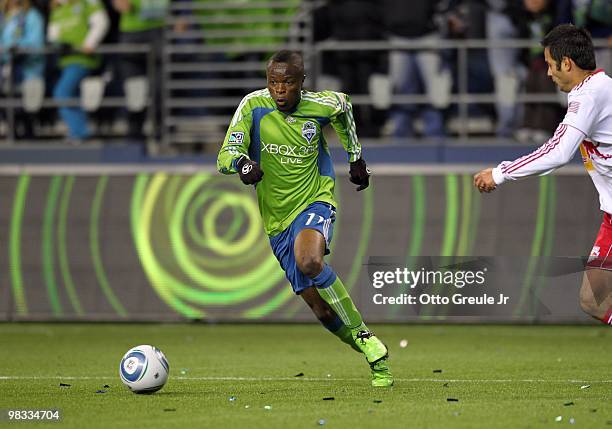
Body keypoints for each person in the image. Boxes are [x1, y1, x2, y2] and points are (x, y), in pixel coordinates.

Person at [217, 50, 394, 387]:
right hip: (277, 220)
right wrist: (242, 164)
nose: (279, 90)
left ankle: (365, 334)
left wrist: (355, 158)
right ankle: (373, 355)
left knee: (310, 261)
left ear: (302, 83)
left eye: (287, 83)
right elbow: (226, 152)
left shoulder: (320, 104)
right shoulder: (253, 106)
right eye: (273, 82)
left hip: (315, 198)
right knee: (322, 311)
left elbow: (343, 107)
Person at [474, 24, 612, 326]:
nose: (548, 73)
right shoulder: (598, 89)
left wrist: (500, 173)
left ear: (567, 63)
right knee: (592, 299)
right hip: (610, 216)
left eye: (551, 65)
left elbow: (558, 152)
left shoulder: (589, 95)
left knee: (594, 299)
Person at [48, 0, 109, 143]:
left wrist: (89, 43)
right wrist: (58, 44)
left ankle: (79, 132)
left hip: (82, 59)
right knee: (70, 93)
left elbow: (101, 23)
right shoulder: (58, 9)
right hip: (64, 61)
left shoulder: (88, 3)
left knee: (62, 92)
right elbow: (52, 36)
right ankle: (79, 131)